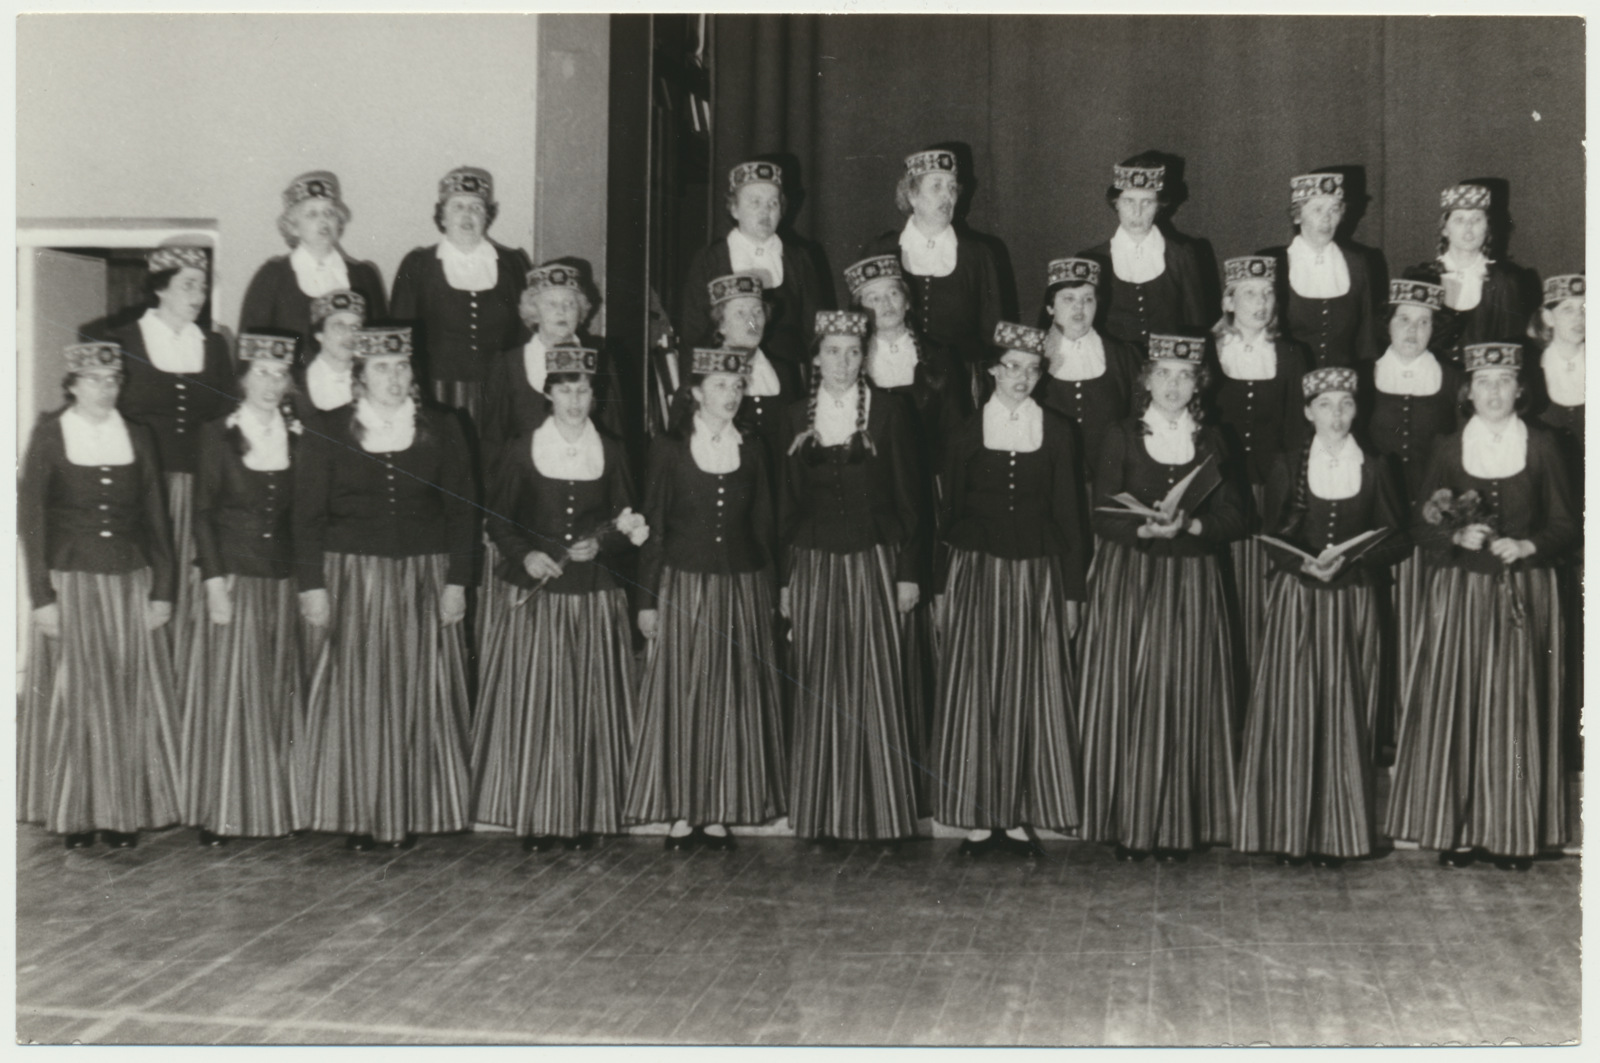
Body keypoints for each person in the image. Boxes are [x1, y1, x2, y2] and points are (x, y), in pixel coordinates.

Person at [1386, 343, 1578, 871]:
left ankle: (1513, 832)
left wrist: (1529, 545)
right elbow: (1421, 523)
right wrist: (1457, 537)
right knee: (1459, 702)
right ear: (1468, 391)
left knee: (1518, 710)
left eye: (1504, 381)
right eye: (1484, 382)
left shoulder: (1542, 446)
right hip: (1462, 593)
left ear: (1520, 389)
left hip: (1525, 592)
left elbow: (1567, 523)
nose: (1494, 392)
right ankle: (1459, 830)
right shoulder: (1448, 447)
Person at [293, 327, 477, 851]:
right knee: (357, 697)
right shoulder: (325, 428)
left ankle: (410, 812)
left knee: (420, 694)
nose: (394, 378)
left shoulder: (443, 427)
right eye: (381, 368)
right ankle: (358, 815)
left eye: (401, 367)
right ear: (359, 376)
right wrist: (312, 586)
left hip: (423, 574)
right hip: (353, 577)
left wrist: (457, 582)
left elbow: (462, 511)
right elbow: (306, 516)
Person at [1077, 334, 1246, 862]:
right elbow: (1101, 513)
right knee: (1131, 694)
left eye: (1185, 375)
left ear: (1198, 383)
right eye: (1165, 374)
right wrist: (1143, 531)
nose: (1174, 385)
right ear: (1147, 378)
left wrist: (1195, 522)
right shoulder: (1120, 435)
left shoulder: (1213, 439)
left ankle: (1179, 828)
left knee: (1188, 692)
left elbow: (1239, 516)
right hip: (1132, 576)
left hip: (1193, 577)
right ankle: (1129, 824)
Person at [471, 345, 644, 852]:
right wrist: (525, 556)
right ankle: (538, 816)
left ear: (596, 394)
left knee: (589, 703)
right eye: (565, 389)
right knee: (538, 704)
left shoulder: (611, 450)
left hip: (592, 595)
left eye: (584, 389)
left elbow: (626, 515)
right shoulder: (522, 447)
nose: (575, 399)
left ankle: (584, 814)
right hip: (539, 593)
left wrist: (604, 543)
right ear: (547, 393)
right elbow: (497, 520)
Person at [1234, 368, 1409, 868]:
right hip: (1298, 601)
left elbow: (1398, 538)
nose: (1336, 415)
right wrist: (1301, 562)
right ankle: (1292, 835)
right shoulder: (1287, 463)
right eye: (1326, 405)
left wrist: (1354, 560)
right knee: (1293, 712)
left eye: (1345, 405)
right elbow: (1269, 536)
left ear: (1357, 411)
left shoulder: (1375, 465)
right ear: (1308, 411)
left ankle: (1342, 836)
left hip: (1354, 600)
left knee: (1348, 714)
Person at [932, 323, 1087, 858]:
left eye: (1032, 368)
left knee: (1033, 689)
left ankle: (1019, 815)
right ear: (993, 370)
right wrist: (941, 589)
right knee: (976, 689)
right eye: (1012, 366)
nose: (1021, 377)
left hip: (1038, 575)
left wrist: (1071, 594)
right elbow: (947, 514)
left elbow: (1070, 515)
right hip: (977, 572)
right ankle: (978, 817)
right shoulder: (963, 432)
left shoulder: (1061, 433)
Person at [18, 342, 180, 849]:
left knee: (131, 696)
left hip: (129, 578)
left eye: (113, 380)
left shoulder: (137, 435)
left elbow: (157, 516)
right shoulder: (49, 435)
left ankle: (121, 813)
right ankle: (77, 814)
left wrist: (164, 589)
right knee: (78, 697)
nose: (105, 389)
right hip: (73, 581)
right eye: (93, 380)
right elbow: (32, 521)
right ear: (72, 384)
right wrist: (41, 597)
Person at [625, 348, 787, 851]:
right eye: (720, 385)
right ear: (695, 392)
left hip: (741, 584)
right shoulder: (668, 448)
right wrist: (647, 600)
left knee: (732, 695)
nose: (731, 395)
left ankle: (719, 810)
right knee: (684, 695)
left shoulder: (755, 448)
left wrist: (773, 588)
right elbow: (652, 525)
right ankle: (681, 812)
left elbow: (766, 525)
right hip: (684, 584)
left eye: (737, 386)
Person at [778, 310, 922, 846]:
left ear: (865, 356)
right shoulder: (795, 416)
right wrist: (786, 580)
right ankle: (821, 814)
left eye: (853, 351)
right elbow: (787, 506)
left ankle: (881, 815)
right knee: (817, 680)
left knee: (876, 680)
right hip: (814, 561)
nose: (843, 361)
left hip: (874, 559)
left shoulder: (889, 414)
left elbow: (911, 502)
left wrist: (908, 573)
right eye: (833, 351)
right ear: (816, 357)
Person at [845, 253, 960, 806]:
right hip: (871, 504)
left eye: (893, 293)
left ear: (908, 299)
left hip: (930, 494)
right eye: (873, 297)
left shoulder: (938, 357)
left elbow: (959, 434)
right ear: (859, 307)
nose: (885, 305)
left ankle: (924, 763)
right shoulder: (844, 361)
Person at [183, 334, 305, 846]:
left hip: (284, 578)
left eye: (279, 374)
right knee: (233, 696)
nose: (271, 384)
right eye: (261, 373)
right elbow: (204, 513)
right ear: (242, 379)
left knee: (280, 693)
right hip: (233, 575)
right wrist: (213, 581)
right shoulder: (216, 434)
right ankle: (224, 814)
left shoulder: (301, 436)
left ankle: (281, 811)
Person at [112, 246, 235, 689]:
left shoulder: (216, 345)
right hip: (145, 493)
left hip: (202, 493)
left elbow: (227, 421)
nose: (198, 294)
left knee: (198, 591)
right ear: (160, 287)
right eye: (188, 284)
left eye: (203, 285)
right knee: (151, 591)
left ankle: (189, 708)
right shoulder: (123, 341)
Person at [1363, 279, 1463, 753]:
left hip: (1429, 520)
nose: (1412, 330)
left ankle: (1418, 729)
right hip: (1374, 520)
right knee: (1375, 621)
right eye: (1403, 319)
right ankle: (1377, 728)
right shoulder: (1362, 376)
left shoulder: (1452, 378)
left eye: (1423, 322)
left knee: (1423, 621)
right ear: (1387, 323)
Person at [1210, 256, 1311, 669]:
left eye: (1269, 293)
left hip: (1271, 492)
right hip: (1218, 495)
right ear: (1229, 301)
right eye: (1250, 293)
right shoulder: (1205, 351)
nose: (1261, 302)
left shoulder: (1290, 355)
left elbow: (1297, 435)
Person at [390, 166, 531, 425]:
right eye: (458, 207)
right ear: (442, 215)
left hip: (500, 394)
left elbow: (527, 334)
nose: (467, 215)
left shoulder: (513, 264)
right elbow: (401, 337)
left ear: (488, 216)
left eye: (476, 207)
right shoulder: (418, 265)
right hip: (436, 393)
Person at [865, 148, 1003, 409]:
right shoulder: (881, 249)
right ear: (912, 195)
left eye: (952, 188)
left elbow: (993, 333)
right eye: (936, 186)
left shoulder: (978, 255)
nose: (947, 196)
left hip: (960, 389)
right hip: (889, 381)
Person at [678, 160, 827, 388]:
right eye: (755, 202)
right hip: (723, 383)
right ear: (734, 208)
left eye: (773, 204)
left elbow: (816, 333)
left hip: (787, 385)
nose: (765, 212)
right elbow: (694, 336)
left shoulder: (799, 260)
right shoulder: (710, 260)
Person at [1525, 274, 1584, 774]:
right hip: (1550, 517)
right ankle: (1553, 737)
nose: (1580, 319)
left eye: (1587, 309)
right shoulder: (1530, 371)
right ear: (1546, 317)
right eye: (1568, 309)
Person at [480, 262, 624, 460]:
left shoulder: (601, 363)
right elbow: (493, 443)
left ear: (581, 310)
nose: (561, 311)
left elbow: (615, 437)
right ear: (534, 311)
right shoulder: (508, 365)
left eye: (570, 304)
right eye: (551, 304)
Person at [239, 171, 387, 350]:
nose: (323, 221)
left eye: (329, 212)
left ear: (338, 221)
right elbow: (250, 349)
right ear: (293, 226)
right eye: (312, 214)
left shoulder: (364, 276)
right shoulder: (272, 277)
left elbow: (380, 345)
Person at [1079, 154, 1208, 349]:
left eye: (1146, 202)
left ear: (1159, 206)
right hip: (1115, 372)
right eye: (1129, 201)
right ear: (1116, 203)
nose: (1137, 212)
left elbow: (1196, 322)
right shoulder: (1092, 259)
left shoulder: (1182, 255)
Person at [1036, 257, 1142, 479]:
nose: (1079, 307)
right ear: (1050, 307)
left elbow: (1138, 423)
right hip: (1049, 482)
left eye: (1087, 299)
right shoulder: (1031, 359)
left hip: (1111, 482)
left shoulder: (1124, 356)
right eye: (1068, 299)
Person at [1410, 184, 1531, 364]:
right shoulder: (1421, 277)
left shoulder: (1504, 282)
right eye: (1459, 220)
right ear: (1445, 229)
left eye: (1476, 220)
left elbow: (1512, 348)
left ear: (1487, 227)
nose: (1468, 227)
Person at [1269, 172, 1377, 367]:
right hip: (1290, 388)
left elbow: (1366, 340)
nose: (1327, 219)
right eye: (1317, 210)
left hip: (1343, 388)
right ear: (1297, 216)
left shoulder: (1357, 263)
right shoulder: (1276, 264)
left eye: (1334, 210)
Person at [700, 272, 793, 465]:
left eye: (757, 312)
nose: (753, 323)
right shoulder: (703, 374)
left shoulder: (783, 372)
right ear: (721, 324)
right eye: (740, 313)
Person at [292, 289, 366, 421]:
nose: (350, 335)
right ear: (319, 334)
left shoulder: (369, 379)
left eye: (356, 327)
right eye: (339, 326)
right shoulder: (298, 384)